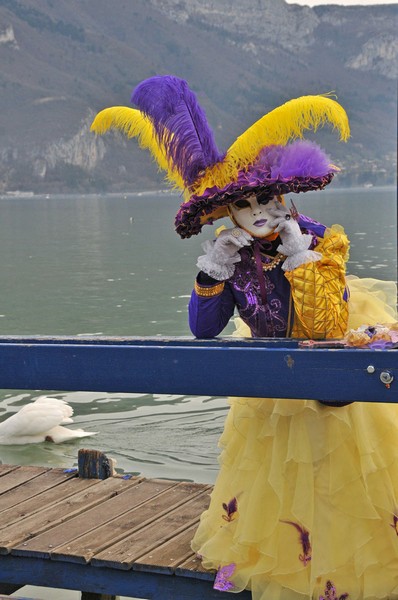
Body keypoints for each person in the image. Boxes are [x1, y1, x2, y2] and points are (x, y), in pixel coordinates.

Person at [91, 75, 398, 600]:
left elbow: (325, 327)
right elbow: (203, 330)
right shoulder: (229, 256)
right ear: (226, 210)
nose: (261, 208)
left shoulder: (322, 240)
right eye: (246, 201)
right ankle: (276, 559)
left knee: (339, 476)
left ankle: (336, 565)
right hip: (272, 387)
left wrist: (304, 257)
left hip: (333, 376)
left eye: (269, 195)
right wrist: (213, 273)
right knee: (274, 479)